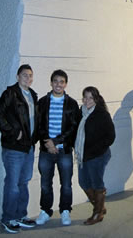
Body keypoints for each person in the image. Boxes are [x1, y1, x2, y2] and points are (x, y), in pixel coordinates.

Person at [0, 64, 38, 233]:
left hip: (29, 148)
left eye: (30, 75)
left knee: (23, 183)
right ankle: (8, 218)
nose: (28, 78)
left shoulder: (32, 95)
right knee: (12, 184)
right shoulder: (10, 93)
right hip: (14, 148)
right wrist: (13, 132)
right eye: (25, 75)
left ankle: (20, 215)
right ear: (18, 76)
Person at [36, 69, 79, 226]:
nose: (58, 84)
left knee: (66, 184)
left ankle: (65, 211)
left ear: (65, 84)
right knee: (45, 183)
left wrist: (56, 141)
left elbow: (73, 127)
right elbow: (38, 125)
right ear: (51, 83)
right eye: (55, 81)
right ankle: (45, 211)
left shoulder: (72, 104)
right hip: (46, 151)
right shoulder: (42, 102)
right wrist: (48, 142)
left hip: (64, 151)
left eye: (61, 81)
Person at [75, 86, 115, 225]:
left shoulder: (102, 114)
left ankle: (97, 213)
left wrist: (96, 150)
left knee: (96, 183)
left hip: (98, 155)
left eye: (90, 97)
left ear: (96, 99)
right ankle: (100, 207)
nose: (87, 100)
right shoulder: (81, 113)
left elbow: (110, 137)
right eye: (85, 97)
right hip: (84, 155)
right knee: (83, 182)